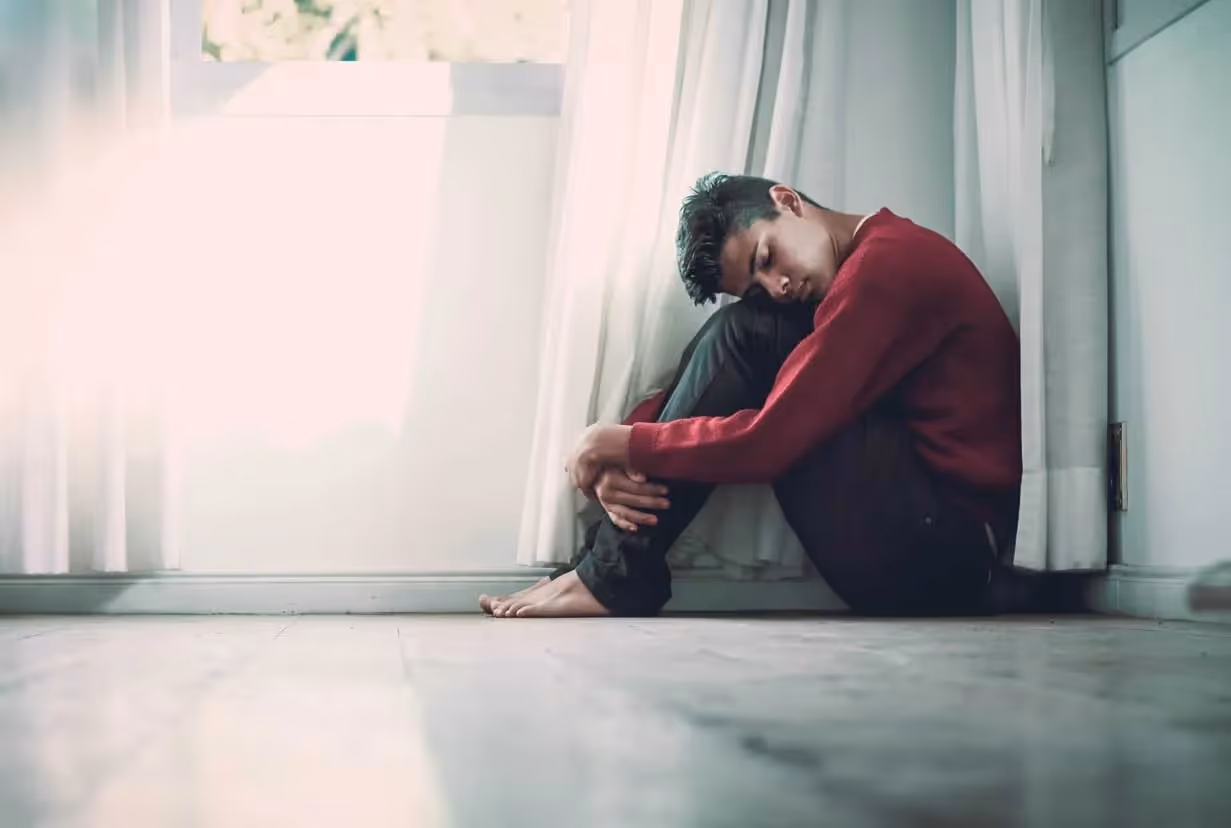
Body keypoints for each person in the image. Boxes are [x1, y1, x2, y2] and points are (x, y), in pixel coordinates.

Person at [480, 173, 1022, 618]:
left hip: (945, 558)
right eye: (759, 282)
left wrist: (620, 445)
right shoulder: (861, 267)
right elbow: (713, 377)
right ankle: (605, 568)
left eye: (767, 258)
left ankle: (612, 576)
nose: (780, 285)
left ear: (787, 201)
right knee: (747, 326)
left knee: (747, 333)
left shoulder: (889, 268)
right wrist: (622, 447)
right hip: (919, 534)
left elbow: (771, 441)